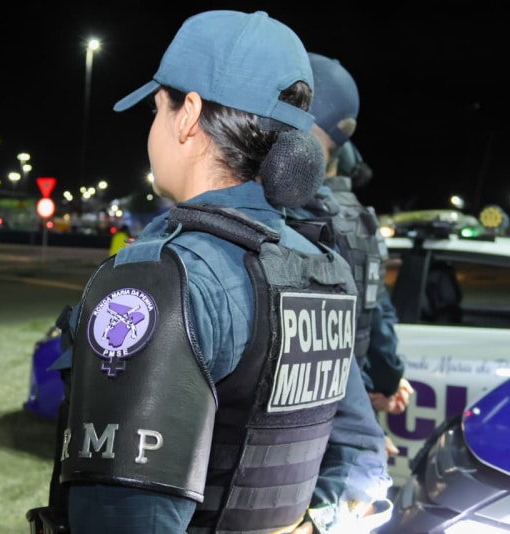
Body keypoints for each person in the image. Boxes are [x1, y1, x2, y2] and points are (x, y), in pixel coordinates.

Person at [28, 10, 391, 534]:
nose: (153, 127)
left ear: (188, 115)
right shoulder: (323, 269)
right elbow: (362, 463)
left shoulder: (161, 280)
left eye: (157, 108)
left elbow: (128, 520)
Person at [285, 53, 414, 453]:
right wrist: (380, 389)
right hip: (341, 413)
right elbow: (376, 318)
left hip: (302, 425)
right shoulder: (363, 222)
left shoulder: (293, 214)